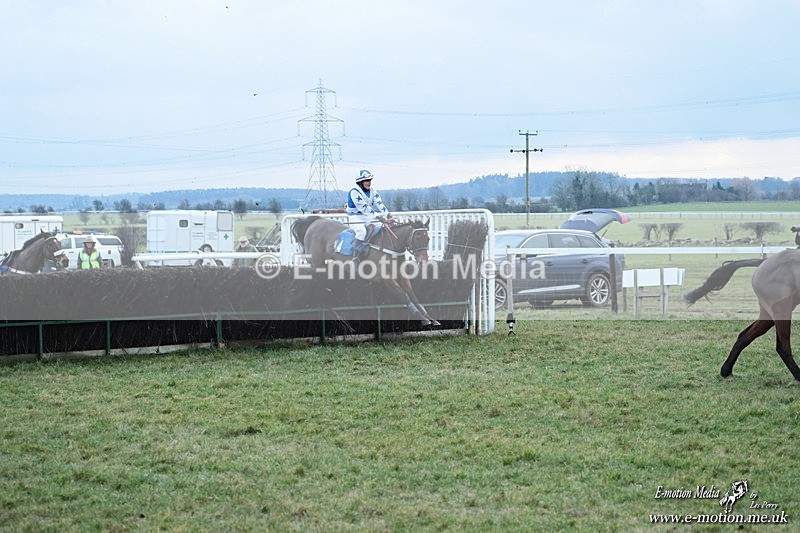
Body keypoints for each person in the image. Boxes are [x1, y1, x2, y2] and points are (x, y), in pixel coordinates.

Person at [345, 169, 393, 242]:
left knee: (381, 228)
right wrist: (378, 217)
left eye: (370, 180)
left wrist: (387, 214)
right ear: (360, 182)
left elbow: (379, 203)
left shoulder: (372, 191)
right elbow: (364, 207)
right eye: (367, 181)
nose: (369, 183)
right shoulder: (354, 191)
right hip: (355, 217)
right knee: (362, 232)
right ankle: (355, 252)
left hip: (367, 216)